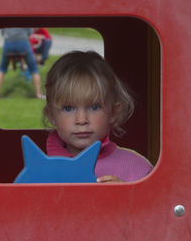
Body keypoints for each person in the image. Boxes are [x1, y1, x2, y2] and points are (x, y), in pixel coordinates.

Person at [42, 51, 152, 182]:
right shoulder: (39, 171)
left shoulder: (136, 168)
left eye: (94, 107)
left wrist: (126, 196)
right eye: (68, 108)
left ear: (113, 112)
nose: (81, 120)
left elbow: (162, 201)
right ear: (51, 115)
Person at [0, 28, 44, 99]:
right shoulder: (25, 18)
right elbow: (30, 33)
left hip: (8, 44)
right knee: (34, 69)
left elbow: (2, 33)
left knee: (2, 68)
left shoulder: (6, 17)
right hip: (23, 44)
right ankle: (38, 94)